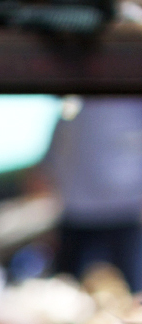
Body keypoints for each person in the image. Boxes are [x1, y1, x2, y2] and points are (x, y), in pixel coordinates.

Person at [41, 96, 142, 292]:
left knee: (133, 294)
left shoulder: (131, 99)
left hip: (124, 210)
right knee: (65, 292)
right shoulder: (73, 102)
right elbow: (52, 157)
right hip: (75, 211)